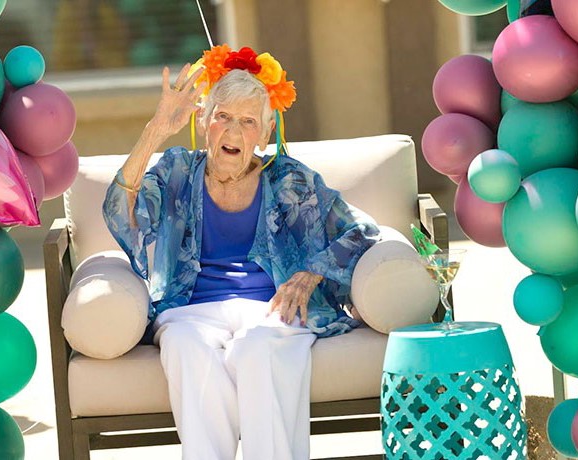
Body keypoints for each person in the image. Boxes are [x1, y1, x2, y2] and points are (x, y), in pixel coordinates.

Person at [103, 45, 381, 460]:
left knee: (257, 348)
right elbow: (121, 214)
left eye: (248, 121)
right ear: (204, 121)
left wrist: (311, 274)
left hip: (269, 310)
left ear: (265, 134)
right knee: (182, 345)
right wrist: (157, 129)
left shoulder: (291, 181)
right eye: (223, 117)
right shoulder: (178, 171)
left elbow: (360, 231)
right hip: (189, 310)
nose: (233, 131)